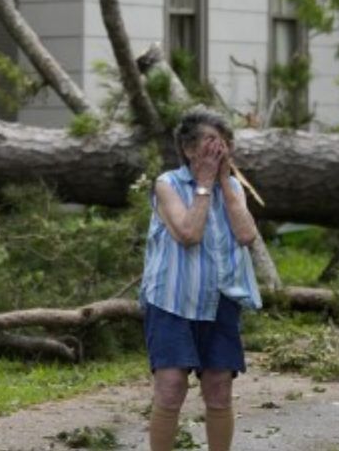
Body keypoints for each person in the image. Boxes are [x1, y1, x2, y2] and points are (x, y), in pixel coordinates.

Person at [140, 108, 263, 451]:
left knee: (220, 387)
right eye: (209, 141)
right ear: (189, 149)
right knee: (170, 387)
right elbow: (189, 232)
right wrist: (205, 185)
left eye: (222, 143)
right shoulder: (168, 185)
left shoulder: (233, 186)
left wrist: (223, 182)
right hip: (172, 301)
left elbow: (246, 235)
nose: (217, 149)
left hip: (219, 299)